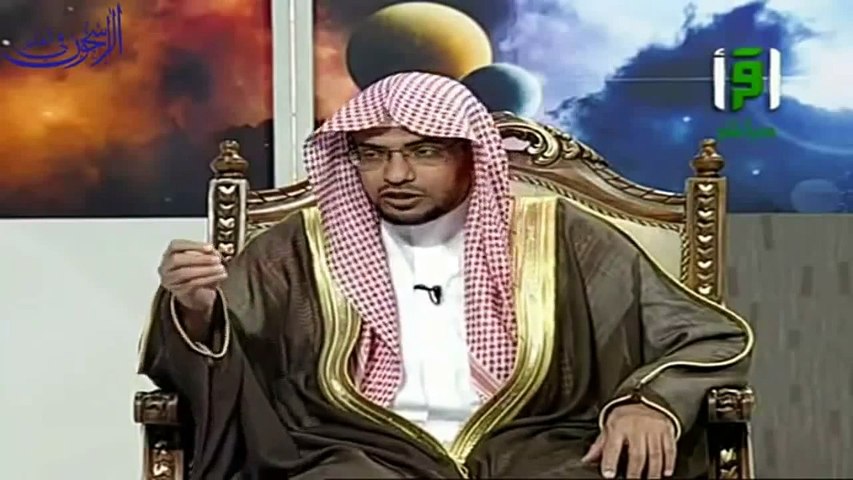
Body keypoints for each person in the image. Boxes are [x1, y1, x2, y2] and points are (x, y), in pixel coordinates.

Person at [139, 72, 753, 479]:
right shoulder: (301, 247)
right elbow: (226, 358)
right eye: (373, 154)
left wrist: (649, 403)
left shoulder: (558, 235)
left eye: (423, 151)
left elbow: (704, 337)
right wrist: (193, 310)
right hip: (358, 451)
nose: (395, 175)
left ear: (470, 155)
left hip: (535, 448)